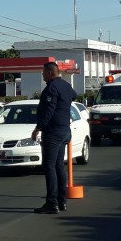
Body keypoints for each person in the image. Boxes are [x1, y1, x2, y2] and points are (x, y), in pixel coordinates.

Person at [31, 62, 76, 214]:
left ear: (50, 72)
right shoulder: (66, 85)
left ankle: (52, 203)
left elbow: (48, 111)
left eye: (44, 73)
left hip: (53, 132)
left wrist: (38, 128)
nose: (43, 76)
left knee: (49, 166)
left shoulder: (51, 88)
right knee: (58, 166)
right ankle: (62, 201)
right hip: (65, 131)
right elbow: (73, 96)